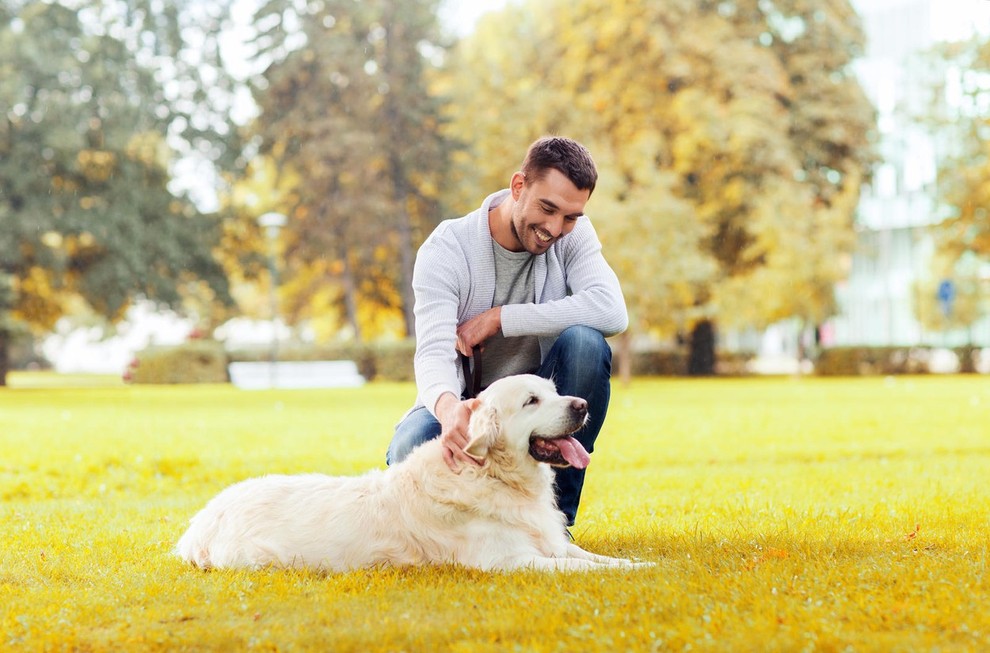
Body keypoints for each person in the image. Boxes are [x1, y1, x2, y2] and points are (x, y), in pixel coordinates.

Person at [386, 136, 627, 527]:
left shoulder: (574, 235)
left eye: (570, 216)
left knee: (586, 342)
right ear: (518, 186)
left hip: (537, 405)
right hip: (464, 399)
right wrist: (450, 412)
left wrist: (502, 317)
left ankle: (554, 525)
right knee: (409, 448)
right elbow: (432, 353)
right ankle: (472, 528)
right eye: (547, 208)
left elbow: (612, 311)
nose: (554, 228)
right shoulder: (447, 249)